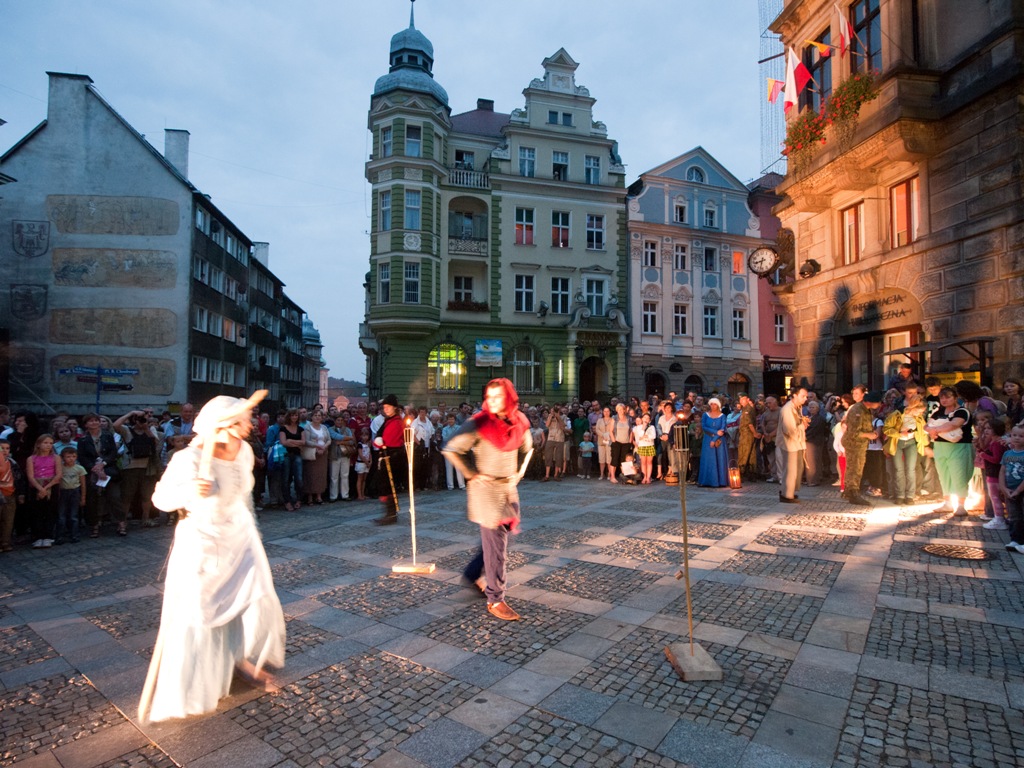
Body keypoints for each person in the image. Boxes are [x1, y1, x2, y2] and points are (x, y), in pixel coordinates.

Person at [140, 392, 285, 723]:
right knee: (204, 610)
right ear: (226, 424)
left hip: (240, 536)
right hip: (203, 540)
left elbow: (244, 497)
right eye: (244, 420)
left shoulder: (245, 451)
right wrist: (191, 491)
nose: (250, 424)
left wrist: (253, 532)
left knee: (257, 597)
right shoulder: (189, 460)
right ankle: (198, 676)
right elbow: (161, 499)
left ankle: (243, 662)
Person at [442, 378, 532, 622]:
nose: (491, 402)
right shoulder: (479, 422)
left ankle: (473, 574)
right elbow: (451, 448)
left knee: (496, 544)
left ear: (508, 398)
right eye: (489, 396)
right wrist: (472, 474)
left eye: (497, 397)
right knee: (496, 546)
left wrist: (519, 473)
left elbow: (528, 448)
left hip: (508, 488)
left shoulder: (519, 421)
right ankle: (495, 598)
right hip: (487, 490)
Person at [925, 386, 973, 517]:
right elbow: (927, 425)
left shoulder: (962, 411)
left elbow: (954, 424)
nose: (944, 400)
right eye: (942, 397)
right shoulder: (938, 411)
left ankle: (961, 505)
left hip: (959, 447)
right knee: (943, 474)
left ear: (955, 398)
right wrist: (932, 430)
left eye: (947, 397)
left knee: (959, 475)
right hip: (940, 446)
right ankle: (947, 502)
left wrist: (935, 430)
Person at [882, 394, 928, 505]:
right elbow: (886, 428)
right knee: (899, 469)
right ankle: (900, 495)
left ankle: (910, 495)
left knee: (911, 469)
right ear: (913, 407)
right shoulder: (897, 414)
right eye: (919, 411)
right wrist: (899, 433)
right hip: (898, 442)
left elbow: (923, 431)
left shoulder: (919, 418)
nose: (920, 413)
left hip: (911, 442)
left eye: (922, 412)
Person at [369, 394, 407, 525]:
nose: (385, 409)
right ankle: (390, 513)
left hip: (392, 457)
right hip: (388, 456)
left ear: (395, 408)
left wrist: (379, 442)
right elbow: (378, 437)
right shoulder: (389, 420)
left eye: (388, 407)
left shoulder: (396, 422)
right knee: (384, 486)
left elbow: (387, 441)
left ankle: (391, 514)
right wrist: (378, 441)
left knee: (387, 486)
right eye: (384, 407)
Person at [842, 391, 882, 506]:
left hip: (860, 444)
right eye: (877, 402)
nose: (879, 404)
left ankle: (849, 492)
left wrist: (869, 433)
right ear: (870, 402)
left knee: (855, 468)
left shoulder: (865, 409)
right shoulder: (857, 410)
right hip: (854, 444)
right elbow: (853, 432)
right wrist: (868, 435)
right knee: (855, 469)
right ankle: (853, 493)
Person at [27, 434, 61, 548]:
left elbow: (58, 475)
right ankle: (38, 536)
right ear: (38, 444)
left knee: (50, 511)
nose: (48, 446)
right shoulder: (31, 459)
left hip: (51, 486)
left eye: (50, 443)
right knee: (37, 512)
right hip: (36, 486)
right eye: (45, 443)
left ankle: (48, 536)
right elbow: (30, 476)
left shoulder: (56, 457)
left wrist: (46, 488)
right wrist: (40, 488)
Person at [776, 388, 808, 503]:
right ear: (795, 395)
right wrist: (802, 426)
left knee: (797, 468)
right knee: (790, 470)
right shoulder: (788, 409)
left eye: (806, 396)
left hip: (796, 443)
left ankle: (790, 492)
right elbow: (789, 429)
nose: (805, 398)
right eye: (803, 396)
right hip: (789, 444)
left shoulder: (797, 407)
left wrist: (802, 423)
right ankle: (786, 494)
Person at [999, 424, 1024, 553]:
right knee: (1014, 516)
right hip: (1010, 490)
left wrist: (1018, 490)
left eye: (1021, 436)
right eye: (1014, 435)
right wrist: (1003, 487)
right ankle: (1015, 540)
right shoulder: (1007, 454)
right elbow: (1002, 471)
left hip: (1020, 490)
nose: (1017, 438)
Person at [55, 446, 87, 544]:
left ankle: (74, 535)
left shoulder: (79, 468)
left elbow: (83, 484)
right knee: (61, 515)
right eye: (68, 456)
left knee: (74, 515)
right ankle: (59, 536)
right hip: (63, 491)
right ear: (63, 458)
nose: (71, 458)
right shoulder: (60, 468)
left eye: (73, 456)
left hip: (75, 491)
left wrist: (83, 497)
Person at [278, 409, 305, 512]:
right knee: (285, 479)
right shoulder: (283, 429)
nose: (294, 417)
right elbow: (283, 442)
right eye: (292, 415)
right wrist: (296, 442)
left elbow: (303, 442)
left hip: (297, 455)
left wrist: (291, 441)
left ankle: (299, 499)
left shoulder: (301, 429)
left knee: (299, 479)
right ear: (289, 416)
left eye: (296, 415)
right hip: (286, 455)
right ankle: (287, 501)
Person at [698, 398, 729, 487]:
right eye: (711, 404)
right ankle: (707, 481)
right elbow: (704, 426)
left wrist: (714, 439)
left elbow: (722, 429)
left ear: (718, 405)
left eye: (715, 404)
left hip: (719, 440)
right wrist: (715, 433)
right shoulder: (705, 415)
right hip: (708, 438)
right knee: (708, 459)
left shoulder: (722, 416)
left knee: (720, 459)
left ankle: (721, 481)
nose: (713, 406)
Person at [632, 413, 657, 484]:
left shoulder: (652, 427)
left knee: (649, 462)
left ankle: (648, 477)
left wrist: (645, 437)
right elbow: (639, 435)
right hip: (642, 446)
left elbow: (653, 436)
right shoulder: (638, 427)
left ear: (649, 420)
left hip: (650, 445)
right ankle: (644, 477)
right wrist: (643, 427)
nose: (646, 419)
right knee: (643, 462)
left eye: (647, 418)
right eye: (644, 418)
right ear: (642, 419)